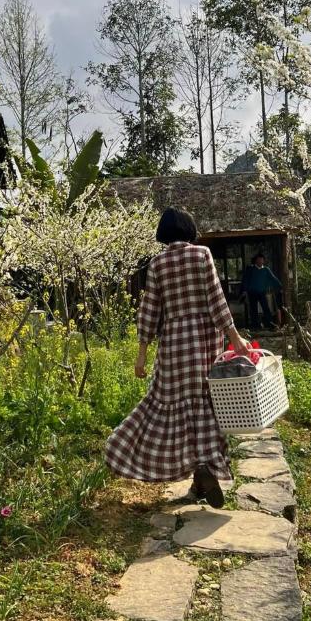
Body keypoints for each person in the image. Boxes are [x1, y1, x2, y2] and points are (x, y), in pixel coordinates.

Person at [105, 206, 252, 507]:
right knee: (205, 408)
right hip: (204, 342)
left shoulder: (157, 264)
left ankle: (190, 476)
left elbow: (150, 312)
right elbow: (217, 299)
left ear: (163, 234)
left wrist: (141, 355)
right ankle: (205, 467)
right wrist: (235, 338)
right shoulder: (202, 256)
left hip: (173, 346)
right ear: (189, 229)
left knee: (166, 408)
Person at [242, 252, 282, 330]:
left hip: (262, 292)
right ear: (256, 261)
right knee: (253, 310)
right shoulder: (251, 269)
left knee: (266, 308)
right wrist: (244, 290)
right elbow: (246, 280)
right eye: (258, 260)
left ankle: (270, 324)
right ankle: (255, 325)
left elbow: (273, 278)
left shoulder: (266, 269)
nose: (260, 261)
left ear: (263, 261)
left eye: (261, 260)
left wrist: (280, 286)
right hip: (252, 292)